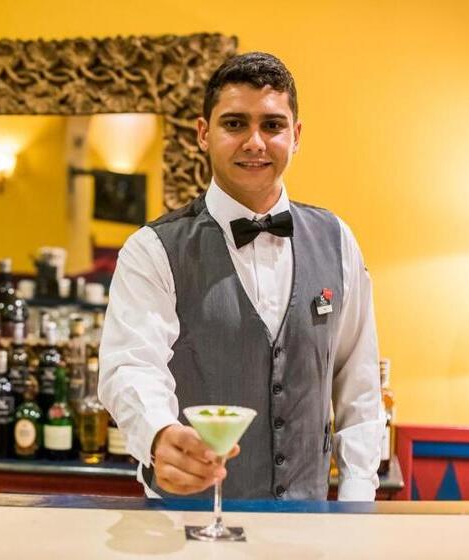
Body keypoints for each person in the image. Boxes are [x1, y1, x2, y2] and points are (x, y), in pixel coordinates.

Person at [99, 52, 383, 501]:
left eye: (272, 125)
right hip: (185, 520)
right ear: (203, 133)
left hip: (307, 522)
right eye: (234, 124)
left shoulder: (338, 239)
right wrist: (159, 435)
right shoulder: (152, 249)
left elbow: (358, 382)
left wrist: (357, 495)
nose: (255, 142)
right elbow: (131, 365)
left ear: (296, 136)